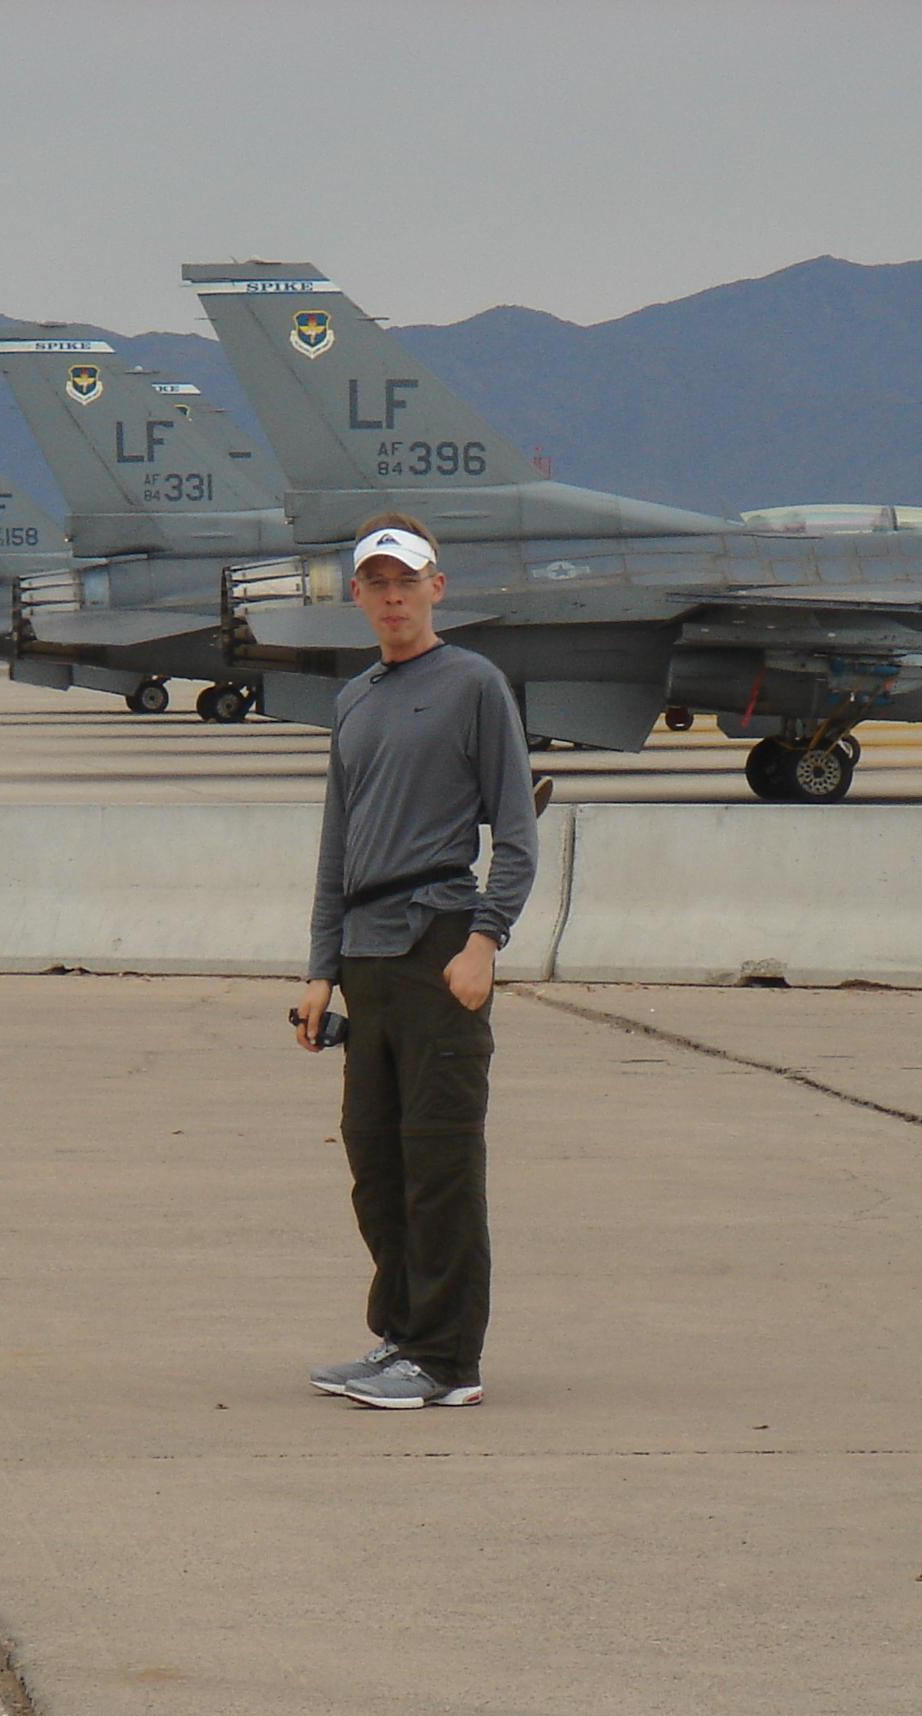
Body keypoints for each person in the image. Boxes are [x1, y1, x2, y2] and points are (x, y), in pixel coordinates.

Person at [294, 513, 538, 1409]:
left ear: (438, 586)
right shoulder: (355, 700)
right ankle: (400, 1338)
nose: (393, 598)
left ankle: (446, 1362)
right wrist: (321, 969)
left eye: (408, 581)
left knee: (439, 1163)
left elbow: (515, 834)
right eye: (376, 584)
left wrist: (485, 941)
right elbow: (335, 846)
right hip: (366, 959)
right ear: (356, 595)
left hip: (440, 946)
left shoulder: (474, 685)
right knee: (377, 1162)